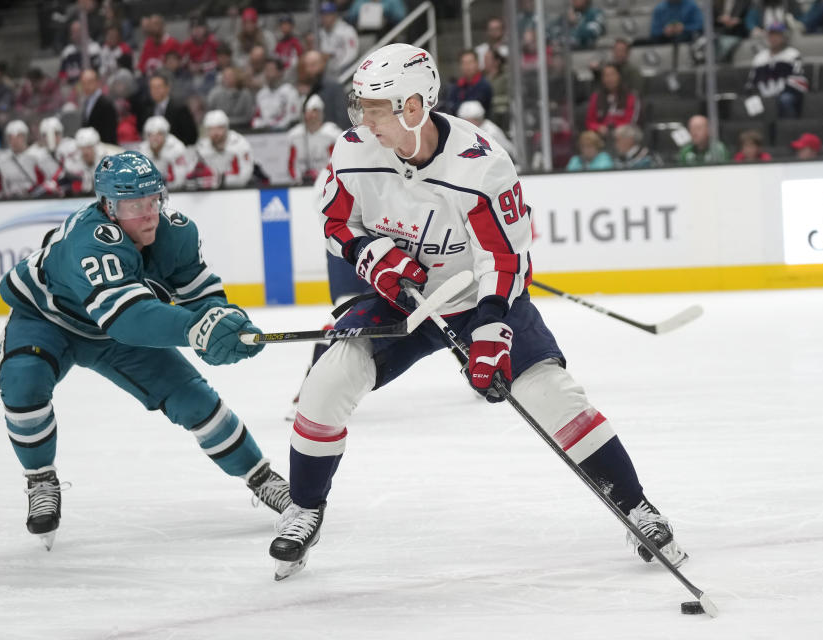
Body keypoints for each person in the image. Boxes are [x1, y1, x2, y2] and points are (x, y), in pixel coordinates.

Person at [268, 43, 688, 580]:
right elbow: (336, 222)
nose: (361, 119)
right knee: (328, 379)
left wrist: (492, 326)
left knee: (551, 394)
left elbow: (506, 259)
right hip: (404, 300)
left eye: (374, 108)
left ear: (413, 107)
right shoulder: (354, 150)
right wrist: (368, 254)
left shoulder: (481, 165)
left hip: (476, 298)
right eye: (361, 105)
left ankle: (636, 507)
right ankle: (306, 508)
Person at [0, 150, 291, 550]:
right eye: (135, 204)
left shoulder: (177, 232)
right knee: (22, 384)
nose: (149, 213)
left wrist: (225, 322)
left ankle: (260, 477)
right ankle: (40, 478)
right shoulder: (91, 240)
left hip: (110, 331)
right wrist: (195, 329)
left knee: (193, 398)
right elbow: (128, 319)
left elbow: (201, 295)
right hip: (46, 320)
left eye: (153, 200)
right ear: (109, 206)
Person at [746, 23, 808, 118]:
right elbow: (751, 83)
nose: (774, 38)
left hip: (786, 94)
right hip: (764, 96)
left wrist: (777, 96)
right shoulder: (759, 58)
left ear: (784, 37)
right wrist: (755, 96)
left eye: (777, 35)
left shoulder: (793, 55)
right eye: (771, 35)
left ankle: (787, 129)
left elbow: (800, 82)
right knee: (751, 103)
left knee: (785, 100)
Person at [0, 120, 64, 198]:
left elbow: (48, 179)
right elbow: (0, 186)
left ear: (25, 137)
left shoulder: (36, 156)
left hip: (34, 197)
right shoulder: (2, 160)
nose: (14, 141)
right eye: (11, 137)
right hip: (11, 200)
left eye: (19, 136)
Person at [192, 110, 255, 189]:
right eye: (211, 129)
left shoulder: (240, 144)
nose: (215, 133)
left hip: (238, 190)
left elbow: (245, 176)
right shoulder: (201, 146)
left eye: (219, 128)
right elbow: (193, 175)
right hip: (209, 193)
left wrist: (219, 180)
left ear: (226, 128)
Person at [287, 94, 342, 184]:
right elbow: (291, 165)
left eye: (315, 111)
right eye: (308, 112)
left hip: (326, 183)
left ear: (321, 114)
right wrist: (298, 180)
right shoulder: (295, 136)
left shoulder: (331, 134)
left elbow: (336, 163)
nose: (311, 116)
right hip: (301, 184)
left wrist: (324, 179)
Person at [141, 72, 199, 146]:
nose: (155, 91)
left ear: (167, 88)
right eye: (152, 87)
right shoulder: (147, 109)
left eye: (158, 87)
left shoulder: (179, 108)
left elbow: (191, 136)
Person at [585, 63, 640, 136]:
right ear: (602, 79)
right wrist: (598, 127)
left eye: (612, 74)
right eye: (606, 76)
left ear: (619, 76)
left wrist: (616, 129)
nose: (609, 78)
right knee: (587, 138)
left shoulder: (631, 95)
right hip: (601, 134)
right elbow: (589, 122)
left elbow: (632, 122)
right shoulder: (596, 96)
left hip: (625, 134)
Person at [456, 100, 518, 164]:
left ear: (478, 119)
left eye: (470, 120)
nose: (466, 123)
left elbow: (507, 153)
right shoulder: (463, 131)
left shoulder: (491, 131)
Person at [139, 115, 191, 191]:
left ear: (165, 135)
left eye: (159, 134)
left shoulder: (177, 148)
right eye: (151, 135)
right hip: (150, 192)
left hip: (175, 191)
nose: (155, 138)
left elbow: (180, 178)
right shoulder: (142, 150)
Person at [252, 58, 302, 130]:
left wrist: (273, 125)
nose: (267, 73)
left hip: (284, 133)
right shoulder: (261, 94)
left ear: (280, 72)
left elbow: (293, 117)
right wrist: (263, 124)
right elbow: (256, 118)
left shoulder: (290, 92)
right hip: (263, 133)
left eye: (271, 70)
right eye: (266, 70)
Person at [318, 2, 360, 79]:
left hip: (344, 69)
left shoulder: (347, 30)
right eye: (323, 15)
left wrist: (339, 67)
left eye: (328, 15)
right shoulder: (321, 32)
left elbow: (352, 53)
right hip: (326, 71)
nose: (324, 18)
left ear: (334, 15)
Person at [445, 50, 493, 116]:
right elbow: (450, 105)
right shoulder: (457, 86)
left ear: (477, 64)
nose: (467, 67)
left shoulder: (484, 86)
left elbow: (471, 109)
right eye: (464, 63)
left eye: (470, 62)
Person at [80, 69, 119, 145]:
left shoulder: (106, 103)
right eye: (83, 83)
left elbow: (110, 132)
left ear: (97, 82)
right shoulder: (86, 102)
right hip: (90, 147)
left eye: (89, 82)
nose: (86, 86)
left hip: (104, 148)